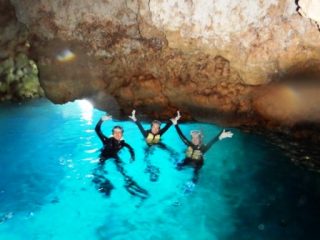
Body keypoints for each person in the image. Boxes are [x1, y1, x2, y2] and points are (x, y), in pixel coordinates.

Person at [93, 114, 148, 200]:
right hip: (104, 156)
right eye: (115, 132)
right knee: (99, 169)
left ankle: (129, 183)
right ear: (113, 133)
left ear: (122, 134)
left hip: (114, 156)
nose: (117, 134)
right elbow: (97, 130)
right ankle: (103, 183)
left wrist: (132, 156)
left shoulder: (122, 143)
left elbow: (130, 148)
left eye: (119, 132)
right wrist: (101, 120)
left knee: (122, 170)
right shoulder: (107, 141)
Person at [171, 111, 233, 184]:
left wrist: (220, 135)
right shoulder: (189, 144)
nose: (194, 140)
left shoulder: (203, 148)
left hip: (198, 163)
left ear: (200, 139)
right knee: (178, 167)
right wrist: (175, 124)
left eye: (197, 138)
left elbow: (212, 142)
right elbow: (181, 135)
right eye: (193, 138)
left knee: (195, 173)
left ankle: (192, 184)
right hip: (188, 159)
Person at [129, 110, 178, 181]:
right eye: (154, 127)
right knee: (146, 157)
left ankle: (174, 159)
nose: (155, 129)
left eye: (157, 128)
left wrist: (173, 120)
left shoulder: (159, 133)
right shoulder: (146, 134)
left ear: (159, 129)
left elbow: (167, 127)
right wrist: (135, 119)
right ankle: (150, 168)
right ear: (151, 127)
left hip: (157, 143)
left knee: (170, 150)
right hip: (148, 146)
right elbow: (140, 127)